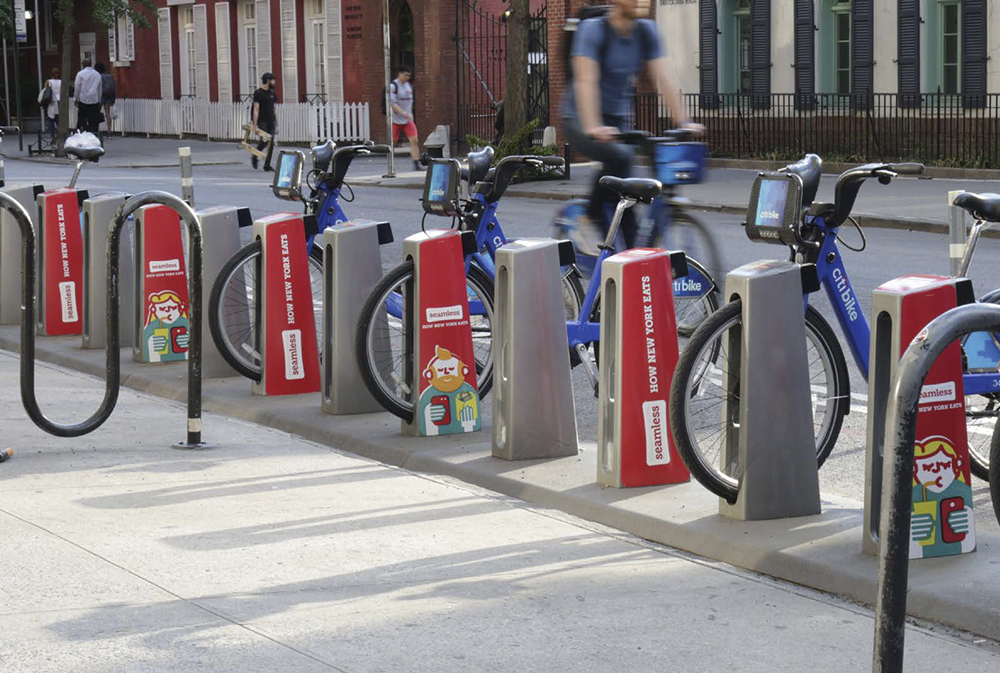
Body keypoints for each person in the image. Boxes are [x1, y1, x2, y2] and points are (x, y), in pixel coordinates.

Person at [562, 0, 702, 248]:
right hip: (580, 118)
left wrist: (684, 121)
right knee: (620, 160)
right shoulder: (593, 30)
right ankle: (590, 218)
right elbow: (586, 79)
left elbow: (665, 77)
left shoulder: (647, 31)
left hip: (617, 123)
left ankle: (632, 254)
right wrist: (594, 125)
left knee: (628, 187)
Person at [389, 64, 423, 171]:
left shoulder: (408, 86)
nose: (407, 77)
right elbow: (392, 103)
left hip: (408, 119)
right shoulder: (394, 86)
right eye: (406, 75)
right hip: (396, 119)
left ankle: (416, 162)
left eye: (409, 76)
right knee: (393, 142)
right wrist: (402, 112)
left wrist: (408, 113)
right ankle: (391, 163)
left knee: (414, 140)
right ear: (400, 74)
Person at [251, 72, 278, 171]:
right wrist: (254, 125)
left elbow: (274, 108)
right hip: (262, 121)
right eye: (272, 80)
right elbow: (256, 109)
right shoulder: (258, 93)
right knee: (264, 141)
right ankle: (255, 156)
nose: (274, 82)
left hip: (271, 121)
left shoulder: (272, 93)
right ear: (267, 81)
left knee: (271, 143)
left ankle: (267, 164)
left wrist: (277, 123)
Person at [73, 58, 103, 134]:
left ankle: (81, 132)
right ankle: (93, 133)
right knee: (93, 120)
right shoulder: (97, 74)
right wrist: (99, 100)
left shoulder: (80, 74)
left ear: (83, 65)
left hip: (83, 99)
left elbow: (77, 87)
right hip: (94, 100)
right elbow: (99, 88)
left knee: (81, 118)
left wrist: (75, 98)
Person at [38, 68, 61, 142]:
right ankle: (60, 136)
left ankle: (53, 137)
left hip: (52, 102)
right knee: (58, 120)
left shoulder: (49, 82)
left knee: (51, 120)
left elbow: (45, 91)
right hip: (59, 101)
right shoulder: (61, 82)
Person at [95, 62, 116, 134]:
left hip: (101, 96)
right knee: (108, 113)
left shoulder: (99, 76)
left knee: (96, 113)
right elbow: (113, 87)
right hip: (109, 96)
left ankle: (96, 129)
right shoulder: (110, 76)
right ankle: (109, 131)